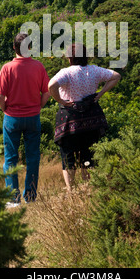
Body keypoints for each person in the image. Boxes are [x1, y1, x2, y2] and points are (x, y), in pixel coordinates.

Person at [48, 43, 121, 191]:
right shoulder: (94, 70)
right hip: (91, 119)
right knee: (87, 155)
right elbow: (116, 76)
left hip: (69, 119)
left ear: (69, 58)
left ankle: (72, 192)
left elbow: (51, 85)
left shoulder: (66, 72)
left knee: (68, 156)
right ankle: (88, 188)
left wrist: (61, 101)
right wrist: (101, 93)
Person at [0, 33, 50, 207]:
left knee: (10, 158)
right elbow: (47, 93)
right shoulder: (39, 67)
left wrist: (6, 109)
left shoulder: (7, 68)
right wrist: (38, 107)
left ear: (14, 47)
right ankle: (31, 196)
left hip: (12, 118)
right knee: (33, 158)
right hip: (33, 117)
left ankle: (13, 198)